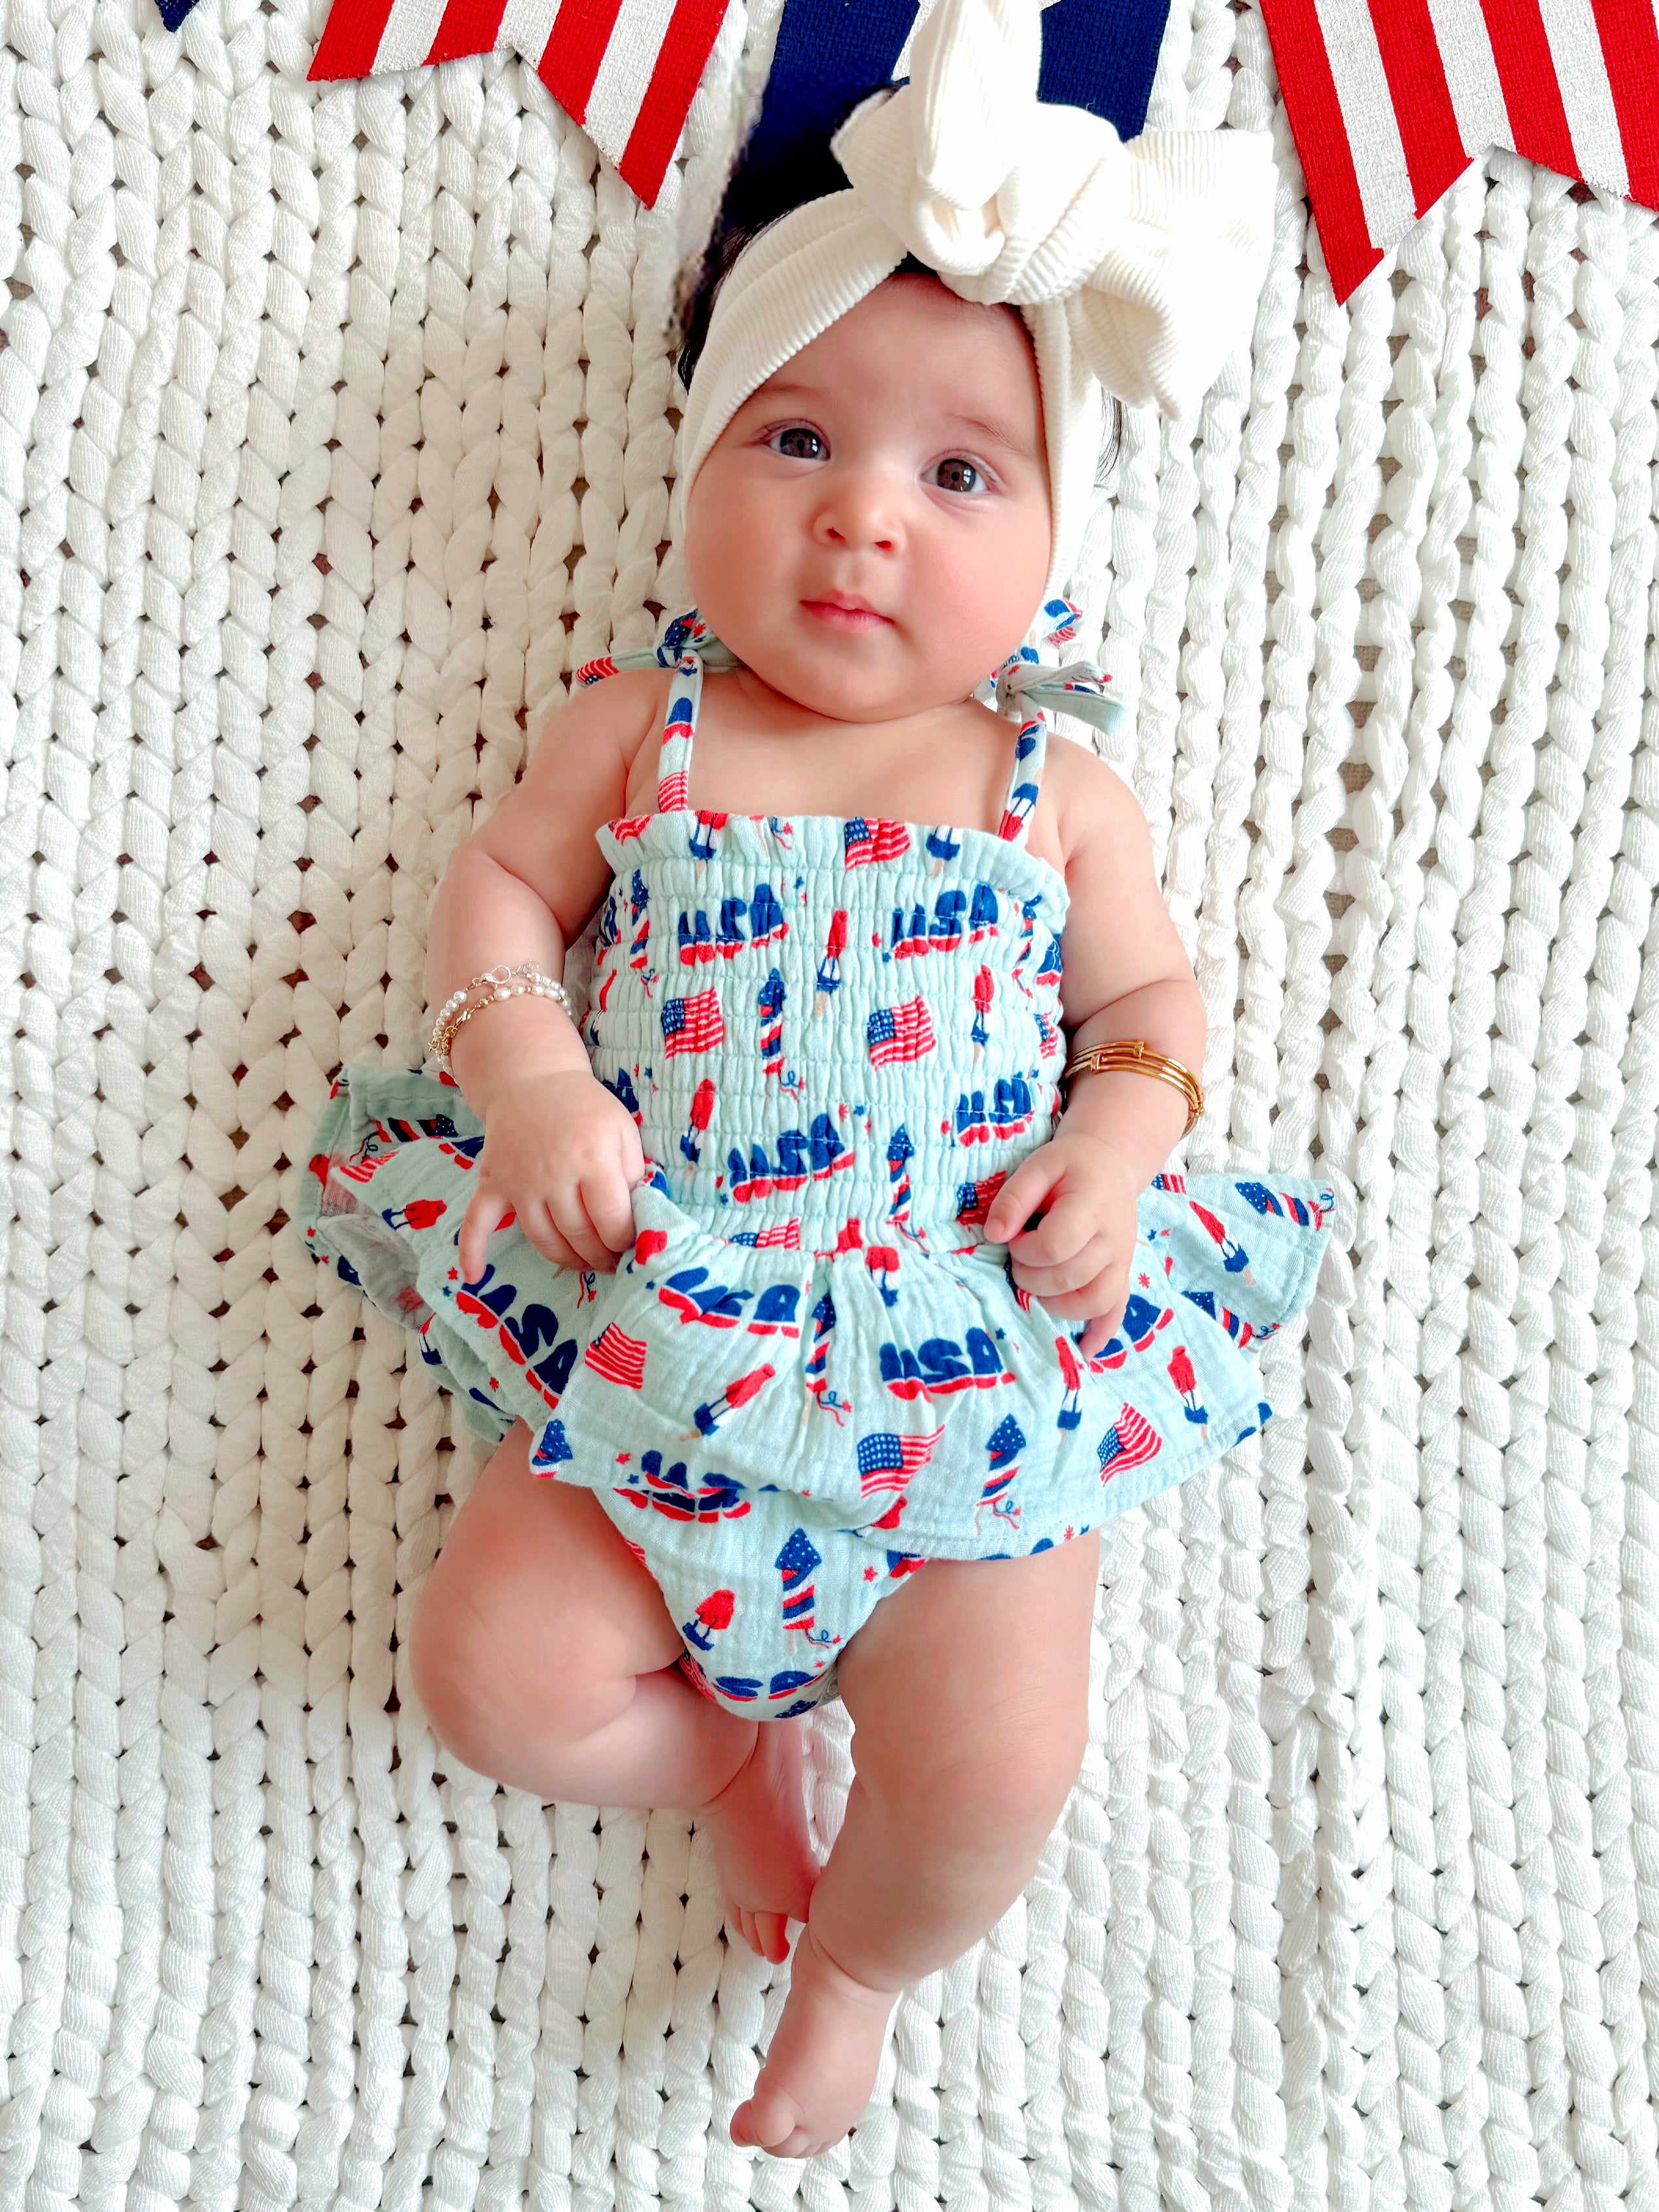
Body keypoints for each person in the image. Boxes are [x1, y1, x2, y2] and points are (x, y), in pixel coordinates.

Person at [295, 0, 1334, 2159]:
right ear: (693, 472)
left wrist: (1121, 1135)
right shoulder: (642, 727)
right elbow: (498, 892)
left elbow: (1148, 1000)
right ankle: (723, 1754)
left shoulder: (1048, 780)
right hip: (670, 1312)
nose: (865, 522)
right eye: (795, 444)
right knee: (494, 1678)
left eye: (958, 474)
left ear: (1051, 532)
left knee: (997, 1774)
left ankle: (856, 1967)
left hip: (972, 1345)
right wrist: (536, 1087)